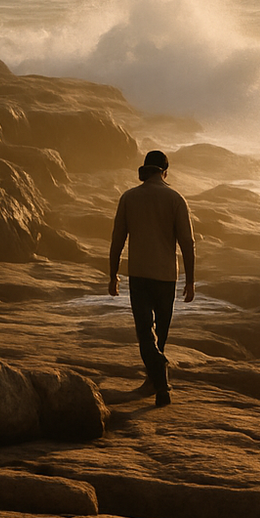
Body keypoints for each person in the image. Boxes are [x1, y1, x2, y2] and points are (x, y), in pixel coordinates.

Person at [108, 149, 195, 407]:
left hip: (139, 274)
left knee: (145, 333)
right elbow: (188, 243)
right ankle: (160, 380)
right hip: (166, 276)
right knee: (161, 332)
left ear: (146, 169)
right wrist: (190, 280)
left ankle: (156, 380)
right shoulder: (175, 198)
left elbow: (117, 240)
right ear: (165, 172)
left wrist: (112, 275)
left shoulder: (129, 197)